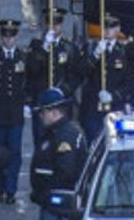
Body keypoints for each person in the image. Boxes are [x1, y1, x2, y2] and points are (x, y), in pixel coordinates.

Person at [26, 9, 85, 147]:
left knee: (63, 142)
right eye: (50, 22)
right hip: (43, 103)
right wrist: (44, 47)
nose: (53, 26)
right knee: (41, 144)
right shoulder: (37, 45)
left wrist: (64, 90)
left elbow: (77, 75)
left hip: (61, 103)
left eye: (57, 23)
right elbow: (32, 69)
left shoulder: (69, 48)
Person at [0, 19, 27, 204]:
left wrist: (27, 103)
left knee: (14, 154)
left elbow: (28, 81)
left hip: (15, 114)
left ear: (16, 36)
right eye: (5, 35)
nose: (8, 39)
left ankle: (10, 190)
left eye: (12, 35)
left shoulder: (23, 56)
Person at [30, 88, 88, 220]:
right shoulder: (54, 133)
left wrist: (45, 194)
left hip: (58, 205)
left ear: (54, 112)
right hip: (51, 202)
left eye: (43, 112)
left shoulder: (65, 136)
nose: (41, 116)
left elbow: (65, 171)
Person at [80, 14, 131, 140]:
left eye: (112, 26)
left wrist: (113, 96)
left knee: (114, 140)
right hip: (93, 105)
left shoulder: (125, 51)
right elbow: (81, 71)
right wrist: (95, 55)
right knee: (93, 140)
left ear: (118, 29)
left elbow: (129, 81)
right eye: (105, 26)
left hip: (114, 106)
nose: (108, 30)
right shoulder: (91, 47)